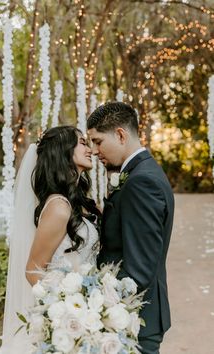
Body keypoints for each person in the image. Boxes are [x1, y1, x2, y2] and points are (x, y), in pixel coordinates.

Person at [0, 126, 100, 353]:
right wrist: (67, 306)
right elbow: (33, 270)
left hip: (87, 309)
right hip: (69, 316)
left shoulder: (75, 202)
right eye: (83, 143)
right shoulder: (59, 207)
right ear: (63, 151)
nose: (91, 150)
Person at [87, 102, 174, 354]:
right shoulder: (142, 173)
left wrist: (95, 302)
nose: (94, 151)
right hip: (133, 314)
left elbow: (139, 268)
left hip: (135, 318)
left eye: (98, 141)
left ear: (121, 135)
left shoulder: (141, 181)